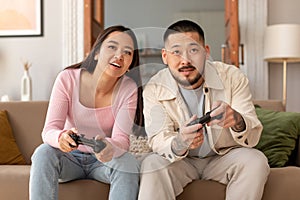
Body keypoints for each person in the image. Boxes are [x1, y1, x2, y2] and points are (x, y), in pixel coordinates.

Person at [138, 20, 270, 200]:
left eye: (193, 50)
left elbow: (253, 131)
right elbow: (157, 139)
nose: (185, 60)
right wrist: (180, 142)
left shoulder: (232, 77)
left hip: (224, 157)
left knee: (256, 160)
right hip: (181, 161)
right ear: (165, 56)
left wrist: (237, 120)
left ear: (206, 52)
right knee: (152, 163)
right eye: (176, 52)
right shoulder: (154, 88)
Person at [29, 25, 143, 200]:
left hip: (103, 161)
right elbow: (49, 130)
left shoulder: (128, 88)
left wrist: (109, 147)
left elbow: (122, 140)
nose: (119, 56)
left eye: (127, 52)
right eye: (112, 47)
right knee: (43, 152)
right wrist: (61, 137)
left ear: (130, 65)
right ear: (96, 53)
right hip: (68, 158)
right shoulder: (67, 78)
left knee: (128, 162)